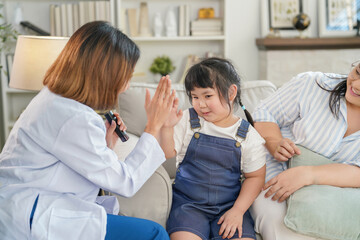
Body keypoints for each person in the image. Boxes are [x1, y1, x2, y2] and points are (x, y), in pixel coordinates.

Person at [0, 21, 177, 240]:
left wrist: (106, 145)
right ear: (105, 76)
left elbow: (84, 165)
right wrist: (153, 125)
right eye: (126, 77)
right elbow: (126, 183)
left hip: (27, 203)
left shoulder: (57, 101)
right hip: (31, 215)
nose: (127, 86)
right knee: (154, 233)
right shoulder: (73, 117)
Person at [159, 57, 267, 240]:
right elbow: (166, 153)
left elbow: (255, 177)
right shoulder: (187, 119)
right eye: (195, 97)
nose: (200, 104)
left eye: (207, 96)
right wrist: (167, 127)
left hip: (229, 207)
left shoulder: (248, 135)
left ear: (231, 93)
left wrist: (238, 211)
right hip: (188, 206)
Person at [250, 62, 360, 240]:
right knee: (282, 226)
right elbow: (264, 113)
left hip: (334, 196)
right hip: (277, 180)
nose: (355, 85)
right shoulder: (312, 85)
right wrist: (274, 141)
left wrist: (307, 174)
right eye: (357, 72)